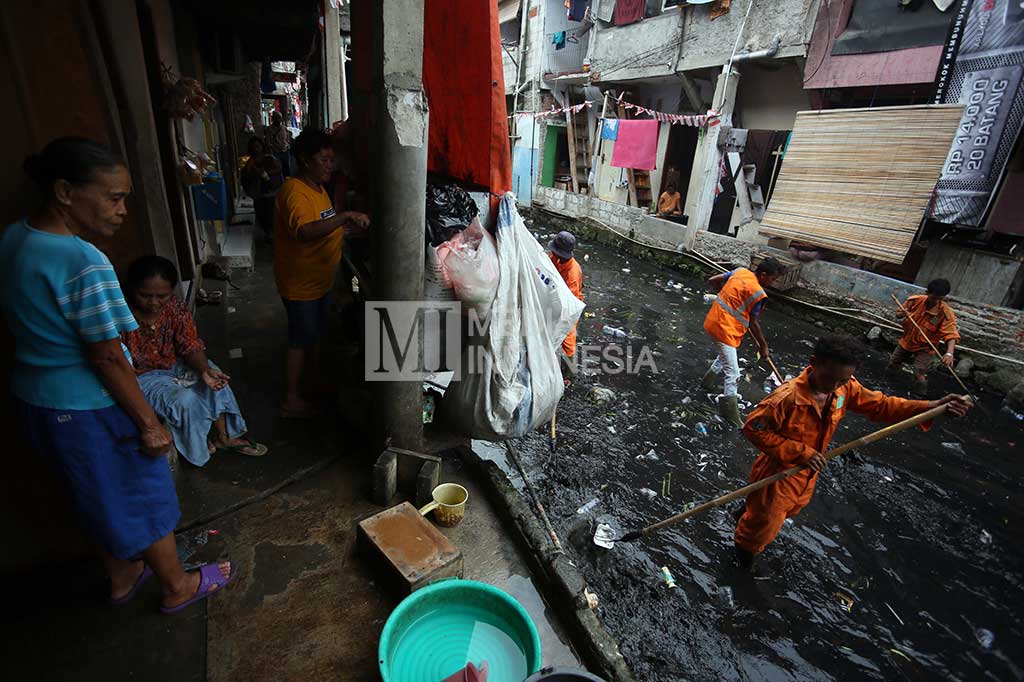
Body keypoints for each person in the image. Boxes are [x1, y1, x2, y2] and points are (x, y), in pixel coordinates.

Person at [0, 137, 234, 611]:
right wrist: (149, 423)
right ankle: (176, 586)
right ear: (65, 191)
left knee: (93, 493)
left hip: (37, 400)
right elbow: (107, 357)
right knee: (142, 492)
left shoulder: (16, 238)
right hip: (88, 406)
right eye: (114, 197)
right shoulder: (85, 263)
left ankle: (123, 574)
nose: (123, 209)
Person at [733, 334, 972, 568]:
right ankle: (742, 563)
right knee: (762, 529)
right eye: (830, 379)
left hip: (808, 473)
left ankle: (745, 513)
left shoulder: (844, 389)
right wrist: (800, 452)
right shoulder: (785, 399)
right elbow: (753, 430)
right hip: (778, 473)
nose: (834, 386)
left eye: (842, 381)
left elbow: (881, 406)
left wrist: (932, 406)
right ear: (814, 362)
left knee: (787, 510)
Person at [121, 256, 267, 466]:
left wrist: (204, 370)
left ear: (171, 291)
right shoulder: (120, 315)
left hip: (174, 366)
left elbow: (189, 345)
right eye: (145, 295)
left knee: (214, 379)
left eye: (161, 296)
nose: (153, 302)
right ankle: (197, 448)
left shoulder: (176, 308)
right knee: (184, 399)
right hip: (142, 378)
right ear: (132, 288)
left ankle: (224, 437)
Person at [273, 128, 369, 418]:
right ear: (305, 160)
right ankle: (291, 399)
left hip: (319, 281)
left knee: (314, 337)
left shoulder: (318, 188)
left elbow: (324, 224)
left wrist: (343, 228)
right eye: (323, 160)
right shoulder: (294, 192)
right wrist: (345, 216)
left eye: (331, 159)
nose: (330, 165)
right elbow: (304, 231)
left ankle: (311, 384)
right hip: (300, 285)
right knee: (300, 341)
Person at [701, 258, 786, 427]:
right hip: (724, 330)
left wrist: (723, 297)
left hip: (714, 322)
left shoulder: (740, 272)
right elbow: (754, 323)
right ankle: (730, 413)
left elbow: (713, 280)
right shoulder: (758, 293)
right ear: (763, 275)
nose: (773, 282)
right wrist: (763, 346)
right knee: (733, 374)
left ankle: (707, 383)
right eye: (773, 279)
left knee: (724, 357)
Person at [887, 278, 961, 388]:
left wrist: (949, 353)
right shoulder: (914, 301)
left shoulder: (945, 313)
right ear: (927, 293)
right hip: (907, 341)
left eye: (940, 299)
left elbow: (951, 334)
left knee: (919, 373)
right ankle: (889, 385)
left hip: (926, 348)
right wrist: (903, 314)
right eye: (933, 298)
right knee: (893, 363)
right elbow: (898, 315)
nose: (936, 301)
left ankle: (919, 396)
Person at [549, 231, 584, 383]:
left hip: (570, 308)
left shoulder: (573, 273)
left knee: (568, 340)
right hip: (553, 301)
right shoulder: (553, 259)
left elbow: (570, 302)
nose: (553, 255)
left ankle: (570, 375)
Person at [240, 136, 283, 242]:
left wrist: (266, 173)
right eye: (254, 147)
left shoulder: (269, 158)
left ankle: (272, 235)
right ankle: (269, 234)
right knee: (262, 216)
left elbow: (278, 169)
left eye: (258, 146)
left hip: (271, 193)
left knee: (271, 216)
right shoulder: (249, 164)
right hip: (259, 194)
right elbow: (246, 178)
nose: (256, 149)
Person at [264, 111, 293, 176]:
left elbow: (287, 138)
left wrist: (288, 146)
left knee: (287, 168)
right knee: (278, 169)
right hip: (276, 152)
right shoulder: (269, 129)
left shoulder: (284, 128)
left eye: (279, 118)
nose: (278, 119)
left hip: (285, 151)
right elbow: (268, 142)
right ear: (273, 119)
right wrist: (271, 151)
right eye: (276, 117)